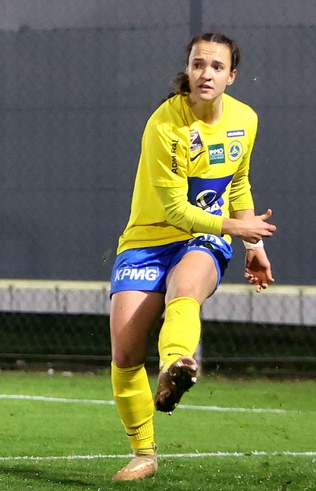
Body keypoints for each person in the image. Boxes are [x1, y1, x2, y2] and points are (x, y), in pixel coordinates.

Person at [107, 32, 276, 481]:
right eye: (198, 64)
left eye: (217, 67)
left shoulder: (245, 119)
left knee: (185, 287)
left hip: (203, 237)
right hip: (147, 237)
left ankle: (175, 365)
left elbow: (237, 183)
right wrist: (240, 227)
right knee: (124, 354)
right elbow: (173, 209)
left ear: (231, 76)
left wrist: (253, 245)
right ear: (187, 69)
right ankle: (144, 453)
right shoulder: (165, 124)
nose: (206, 73)